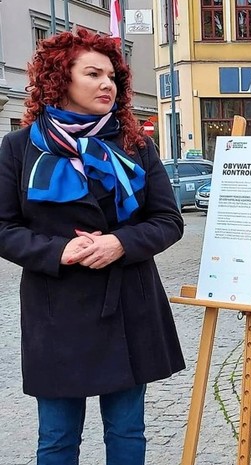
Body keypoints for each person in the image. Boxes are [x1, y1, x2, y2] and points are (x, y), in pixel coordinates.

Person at [0, 29, 185, 464]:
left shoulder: (136, 144)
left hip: (127, 306)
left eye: (112, 76)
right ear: (60, 79)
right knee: (57, 438)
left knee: (127, 431)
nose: (107, 84)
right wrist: (57, 251)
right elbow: (4, 227)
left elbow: (168, 220)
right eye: (93, 74)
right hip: (57, 311)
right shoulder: (19, 147)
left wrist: (121, 242)